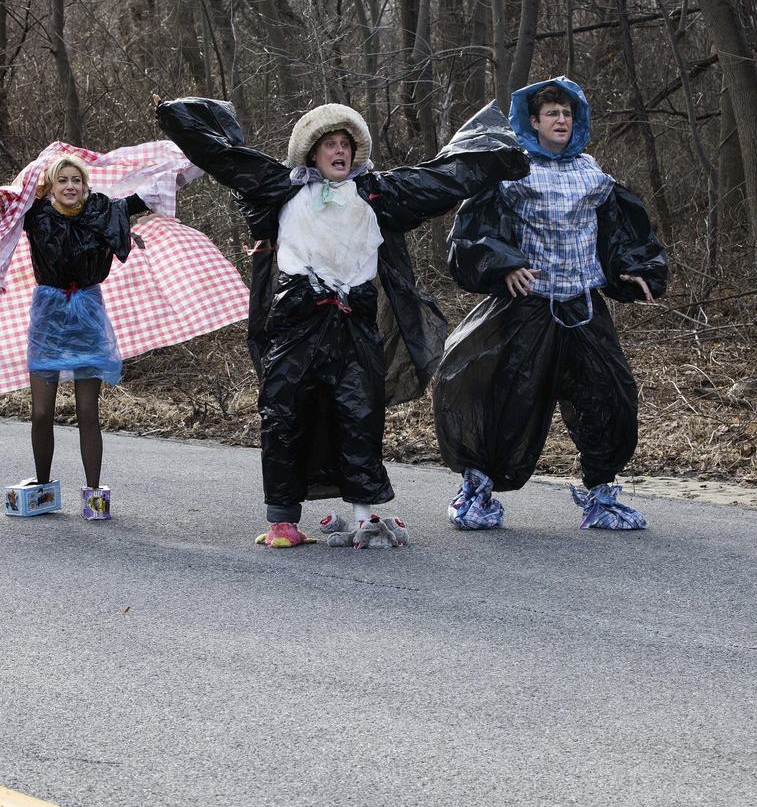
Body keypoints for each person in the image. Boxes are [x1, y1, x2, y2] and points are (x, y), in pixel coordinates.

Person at [156, 95, 527, 549]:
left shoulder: (377, 193)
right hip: (297, 319)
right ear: (313, 153)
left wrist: (501, 153)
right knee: (284, 414)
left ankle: (363, 516)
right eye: (330, 144)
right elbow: (223, 157)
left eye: (345, 145)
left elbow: (444, 179)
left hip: (354, 320)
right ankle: (282, 520)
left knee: (360, 415)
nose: (339, 151)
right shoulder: (284, 187)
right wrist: (175, 115)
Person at [434, 77, 667, 531]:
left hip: (582, 305)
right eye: (552, 113)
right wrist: (503, 265)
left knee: (609, 396)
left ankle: (602, 495)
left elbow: (621, 228)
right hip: (527, 306)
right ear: (534, 122)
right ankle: (475, 491)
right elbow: (475, 231)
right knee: (501, 397)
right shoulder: (513, 171)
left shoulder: (592, 172)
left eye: (568, 113)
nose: (561, 120)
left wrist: (635, 268)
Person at [0, 144, 149, 507]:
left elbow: (152, 192)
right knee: (41, 411)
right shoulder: (34, 214)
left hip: (88, 314)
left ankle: (94, 494)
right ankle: (41, 485)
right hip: (49, 315)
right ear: (50, 186)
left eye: (76, 180)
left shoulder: (104, 211)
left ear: (85, 185)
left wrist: (200, 154)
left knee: (88, 411)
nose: (70, 186)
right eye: (62, 180)